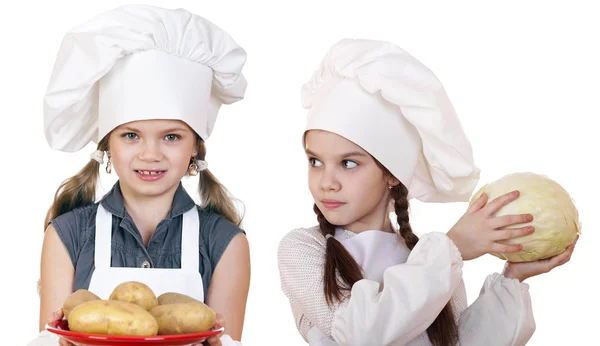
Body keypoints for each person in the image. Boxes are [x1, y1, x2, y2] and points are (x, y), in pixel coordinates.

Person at [277, 38, 577, 346]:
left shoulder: (427, 258)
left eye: (348, 163)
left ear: (392, 173)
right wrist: (452, 247)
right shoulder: (303, 250)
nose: (327, 181)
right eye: (315, 161)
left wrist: (513, 277)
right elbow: (361, 334)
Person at [29, 5, 251, 346]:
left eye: (172, 136)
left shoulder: (224, 243)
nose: (151, 154)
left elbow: (230, 338)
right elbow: (45, 338)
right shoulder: (67, 235)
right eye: (131, 135)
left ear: (195, 146)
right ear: (106, 144)